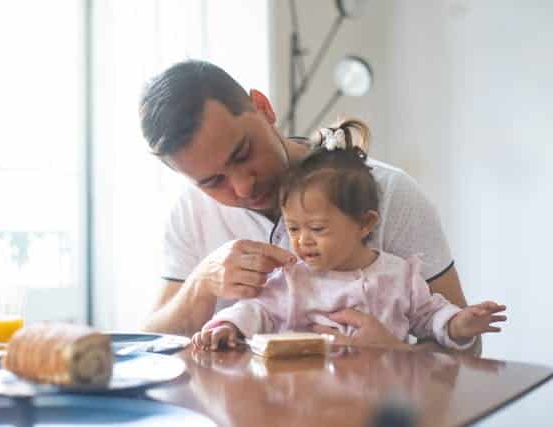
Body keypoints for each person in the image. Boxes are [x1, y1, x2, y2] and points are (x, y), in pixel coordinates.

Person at [139, 59, 478, 353]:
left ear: (263, 107)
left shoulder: (387, 192)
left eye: (243, 153)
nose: (243, 186)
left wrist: (399, 353)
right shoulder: (191, 212)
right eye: (213, 182)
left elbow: (469, 346)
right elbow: (149, 348)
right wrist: (202, 283)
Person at [191, 126, 506, 351]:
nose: (303, 241)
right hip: (306, 402)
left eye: (317, 228)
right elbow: (257, 310)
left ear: (364, 223)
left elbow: (431, 316)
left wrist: (459, 324)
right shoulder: (292, 278)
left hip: (382, 405)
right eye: (294, 228)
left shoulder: (399, 276)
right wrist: (226, 326)